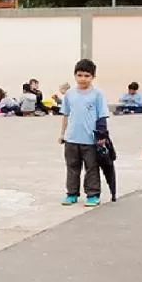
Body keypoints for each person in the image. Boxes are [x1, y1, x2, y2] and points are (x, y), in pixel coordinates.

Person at [58, 59, 110, 207]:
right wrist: (63, 134)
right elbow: (66, 115)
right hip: (72, 138)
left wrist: (102, 137)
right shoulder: (69, 94)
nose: (83, 79)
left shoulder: (97, 94)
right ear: (75, 75)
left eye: (87, 76)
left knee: (92, 167)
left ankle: (93, 194)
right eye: (79, 75)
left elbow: (102, 116)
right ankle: (72, 193)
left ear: (93, 77)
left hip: (91, 140)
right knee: (72, 167)